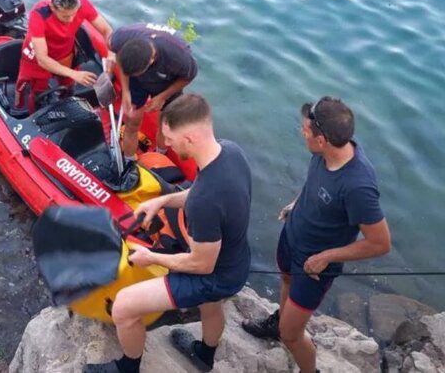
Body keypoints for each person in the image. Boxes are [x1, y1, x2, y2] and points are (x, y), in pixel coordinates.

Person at [84, 93, 252, 373]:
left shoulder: (205, 201)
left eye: (170, 139)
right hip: (237, 262)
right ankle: (204, 355)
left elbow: (202, 264)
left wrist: (151, 258)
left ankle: (127, 368)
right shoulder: (230, 152)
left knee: (124, 306)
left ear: (189, 138)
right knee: (211, 306)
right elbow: (200, 192)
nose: (166, 144)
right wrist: (163, 200)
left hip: (214, 274)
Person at [241, 96, 391, 373]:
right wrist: (296, 204)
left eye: (306, 129)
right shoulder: (323, 152)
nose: (302, 132)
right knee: (285, 281)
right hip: (292, 238)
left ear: (322, 140)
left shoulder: (358, 187)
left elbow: (380, 243)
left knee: (292, 335)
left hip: (314, 265)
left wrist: (327, 257)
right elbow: (315, 183)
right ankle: (278, 322)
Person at [15, 0, 113, 112]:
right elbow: (42, 59)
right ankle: (35, 113)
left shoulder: (83, 5)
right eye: (65, 16)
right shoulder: (38, 15)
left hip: (64, 50)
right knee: (38, 92)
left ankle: (67, 105)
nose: (71, 20)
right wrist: (74, 74)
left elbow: (106, 30)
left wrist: (111, 52)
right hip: (38, 55)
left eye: (74, 14)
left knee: (69, 86)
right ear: (52, 7)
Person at [107, 23, 198, 158]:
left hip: (167, 82)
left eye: (138, 73)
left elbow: (189, 76)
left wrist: (163, 97)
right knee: (131, 122)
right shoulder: (121, 37)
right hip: (136, 82)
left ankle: (160, 153)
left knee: (166, 125)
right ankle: (128, 161)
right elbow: (119, 57)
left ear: (151, 60)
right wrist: (126, 91)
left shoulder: (179, 57)